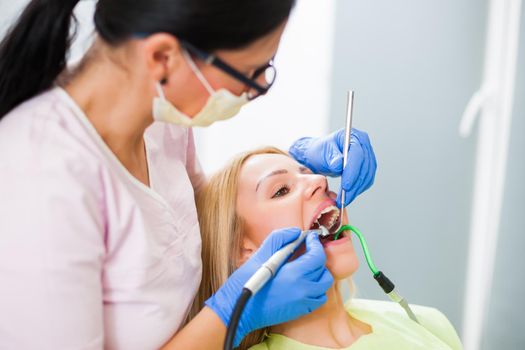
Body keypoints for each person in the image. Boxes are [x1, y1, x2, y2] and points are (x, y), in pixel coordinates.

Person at [0, 1, 377, 349]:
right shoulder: (40, 175)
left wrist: (292, 165)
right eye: (249, 72)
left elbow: (202, 213)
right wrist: (237, 312)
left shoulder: (162, 119)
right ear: (163, 57)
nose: (257, 88)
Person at [193, 146, 463, 350]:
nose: (320, 181)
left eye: (308, 173)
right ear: (245, 253)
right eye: (281, 190)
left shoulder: (429, 322)